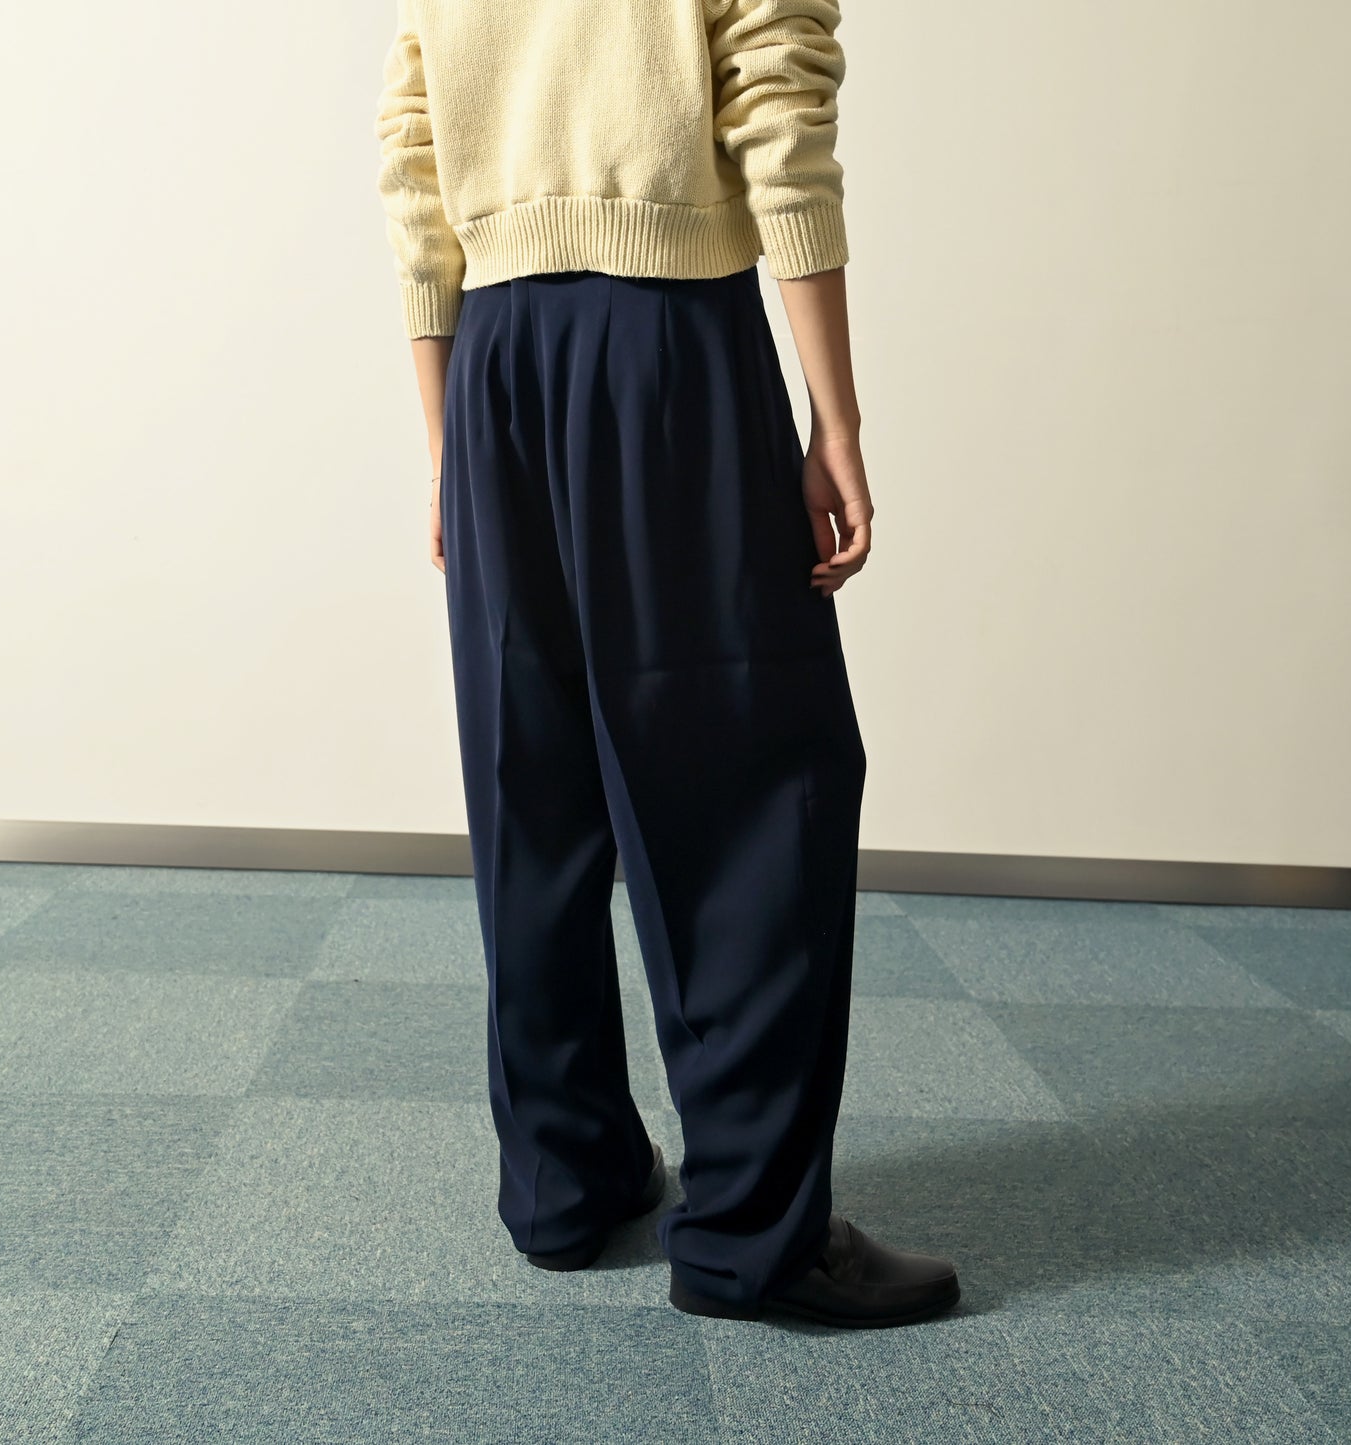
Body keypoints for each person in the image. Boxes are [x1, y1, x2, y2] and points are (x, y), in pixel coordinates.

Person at [374, 0, 961, 1329]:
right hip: (666, 340)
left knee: (535, 778)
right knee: (752, 780)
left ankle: (564, 1177)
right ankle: (754, 1236)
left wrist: (446, 438)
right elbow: (776, 93)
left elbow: (415, 144)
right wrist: (835, 417)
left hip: (494, 359)